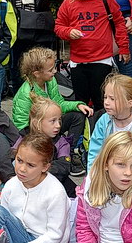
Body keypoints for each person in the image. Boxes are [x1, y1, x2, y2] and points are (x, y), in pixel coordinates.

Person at [54, 0, 129, 109]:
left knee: (101, 100)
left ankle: (101, 123)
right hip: (78, 61)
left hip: (102, 59)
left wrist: (124, 48)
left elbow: (119, 23)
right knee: (80, 101)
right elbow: (58, 27)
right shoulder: (69, 2)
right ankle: (84, 124)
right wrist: (68, 32)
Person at [12, 46, 92, 176]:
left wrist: (77, 105)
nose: (55, 71)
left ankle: (70, 153)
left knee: (78, 115)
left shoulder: (50, 80)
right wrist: (41, 132)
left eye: (54, 67)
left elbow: (59, 104)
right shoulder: (25, 95)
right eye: (50, 70)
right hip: (36, 132)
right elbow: (21, 126)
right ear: (37, 73)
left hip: (51, 123)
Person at [12, 94, 76, 196]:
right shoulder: (24, 138)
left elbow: (64, 166)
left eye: (59, 120)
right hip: (23, 182)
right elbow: (8, 159)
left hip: (51, 184)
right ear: (37, 123)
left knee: (72, 189)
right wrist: (7, 175)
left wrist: (37, 174)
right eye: (53, 121)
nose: (58, 125)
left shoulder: (61, 142)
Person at [87, 73, 132, 169]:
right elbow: (95, 151)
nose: (106, 102)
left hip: (130, 173)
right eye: (105, 97)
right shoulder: (104, 120)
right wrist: (92, 174)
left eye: (112, 99)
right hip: (105, 171)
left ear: (129, 103)